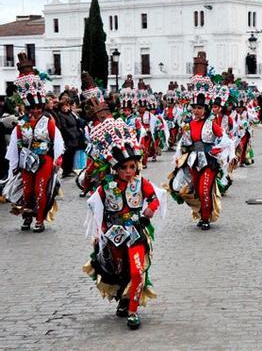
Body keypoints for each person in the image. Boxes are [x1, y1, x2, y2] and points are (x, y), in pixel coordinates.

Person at [82, 116, 165, 330]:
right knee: (119, 271)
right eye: (124, 167)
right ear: (115, 169)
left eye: (132, 166)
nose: (129, 171)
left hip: (136, 232)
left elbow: (155, 197)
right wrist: (100, 230)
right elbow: (93, 205)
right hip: (113, 236)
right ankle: (123, 299)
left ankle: (133, 311)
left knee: (137, 271)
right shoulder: (106, 186)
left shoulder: (140, 183)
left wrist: (150, 210)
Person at [167, 52, 233, 230]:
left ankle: (205, 218)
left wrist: (219, 150)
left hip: (209, 161)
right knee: (193, 189)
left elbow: (226, 140)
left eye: (199, 108)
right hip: (192, 161)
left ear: (206, 109)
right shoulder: (188, 124)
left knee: (205, 190)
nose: (196, 111)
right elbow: (183, 144)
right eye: (194, 107)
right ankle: (202, 211)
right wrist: (178, 157)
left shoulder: (212, 124)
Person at [5, 53, 65, 232]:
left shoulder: (49, 123)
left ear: (42, 107)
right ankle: (26, 217)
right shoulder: (20, 125)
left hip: (44, 160)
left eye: (39, 107)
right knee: (27, 190)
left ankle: (39, 219)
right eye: (32, 108)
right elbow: (14, 146)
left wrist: (56, 162)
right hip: (26, 162)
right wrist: (14, 165)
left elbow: (57, 143)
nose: (36, 111)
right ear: (27, 108)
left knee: (40, 190)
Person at [55, 96, 82, 177]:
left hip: (74, 136)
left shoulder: (69, 113)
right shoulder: (61, 115)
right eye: (63, 106)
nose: (65, 108)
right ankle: (66, 171)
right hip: (69, 138)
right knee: (68, 155)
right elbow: (64, 127)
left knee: (72, 154)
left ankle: (70, 169)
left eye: (66, 106)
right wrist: (72, 134)